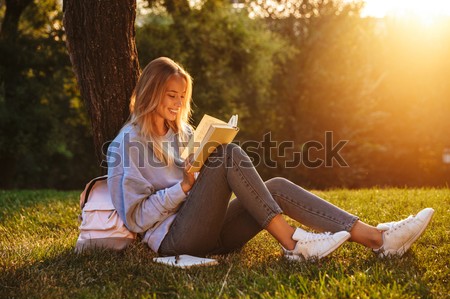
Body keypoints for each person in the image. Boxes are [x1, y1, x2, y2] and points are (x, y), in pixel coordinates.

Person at [107, 57, 434, 261]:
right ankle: (294, 244)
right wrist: (183, 187)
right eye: (171, 96)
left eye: (182, 97)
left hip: (208, 231)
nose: (178, 104)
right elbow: (135, 218)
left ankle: (378, 238)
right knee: (229, 155)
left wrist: (201, 168)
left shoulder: (180, 132)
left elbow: (203, 186)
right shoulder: (127, 144)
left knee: (274, 186)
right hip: (173, 242)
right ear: (151, 93)